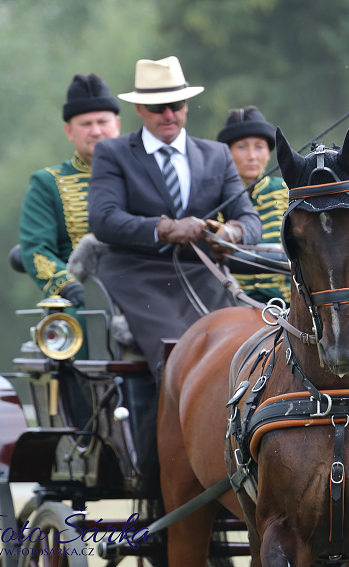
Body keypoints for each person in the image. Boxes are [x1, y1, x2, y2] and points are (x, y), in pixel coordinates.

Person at [88, 56, 261, 375]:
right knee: (181, 353)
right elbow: (103, 219)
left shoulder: (217, 155)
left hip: (204, 274)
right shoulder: (113, 154)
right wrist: (166, 229)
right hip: (137, 275)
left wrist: (231, 233)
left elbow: (250, 220)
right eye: (157, 107)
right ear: (139, 109)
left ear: (186, 106)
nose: (168, 114)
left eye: (176, 104)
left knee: (244, 352)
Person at [19, 73, 121, 308]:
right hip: (81, 297)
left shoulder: (145, 173)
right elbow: (37, 249)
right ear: (69, 131)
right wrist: (67, 285)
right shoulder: (47, 183)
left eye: (102, 122)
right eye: (85, 124)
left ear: (117, 125)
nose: (96, 131)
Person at [217, 106, 290, 304]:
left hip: (286, 305)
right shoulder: (215, 195)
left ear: (268, 152)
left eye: (259, 146)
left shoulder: (287, 191)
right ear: (228, 152)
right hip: (230, 304)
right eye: (241, 147)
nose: (252, 156)